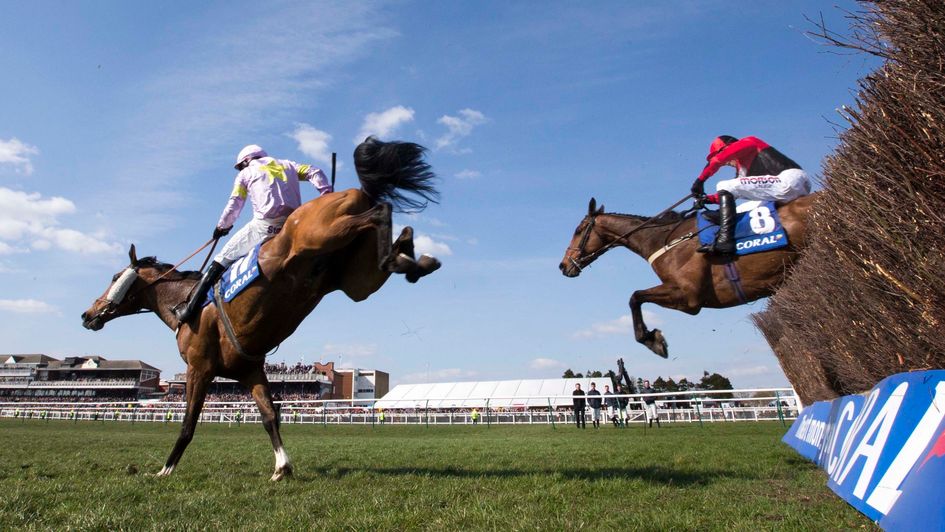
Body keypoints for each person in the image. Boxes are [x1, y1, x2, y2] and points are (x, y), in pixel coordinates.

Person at [173, 144, 332, 323]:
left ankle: (189, 309)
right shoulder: (288, 164)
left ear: (247, 160)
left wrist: (222, 227)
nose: (241, 169)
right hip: (293, 224)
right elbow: (315, 171)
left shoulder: (245, 174)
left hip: (264, 226)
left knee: (220, 259)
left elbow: (235, 204)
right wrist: (326, 194)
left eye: (241, 166)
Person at [690, 135, 811, 255]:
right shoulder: (742, 172)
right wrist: (707, 199)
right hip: (778, 193)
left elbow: (718, 160)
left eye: (718, 154)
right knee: (740, 209)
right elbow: (731, 194)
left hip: (790, 180)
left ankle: (725, 240)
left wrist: (700, 181)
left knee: (723, 184)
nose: (726, 164)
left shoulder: (750, 142)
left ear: (727, 147)